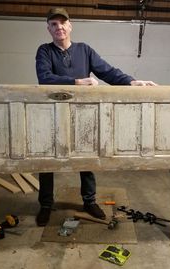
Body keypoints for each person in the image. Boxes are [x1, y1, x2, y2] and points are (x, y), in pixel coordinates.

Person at [35, 7, 157, 227]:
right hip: (52, 114)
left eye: (63, 22)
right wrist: (77, 82)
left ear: (70, 26)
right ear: (48, 29)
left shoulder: (85, 50)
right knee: (48, 159)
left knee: (87, 158)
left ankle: (89, 201)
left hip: (82, 114)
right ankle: (45, 204)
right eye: (54, 24)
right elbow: (44, 78)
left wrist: (131, 81)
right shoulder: (44, 51)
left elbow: (108, 71)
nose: (59, 27)